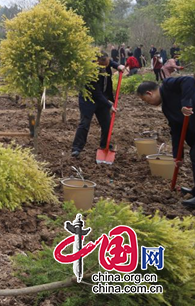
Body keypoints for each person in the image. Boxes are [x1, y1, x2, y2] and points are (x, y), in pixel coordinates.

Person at [137, 78, 195, 207]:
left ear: (149, 93)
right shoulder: (166, 109)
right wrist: (178, 155)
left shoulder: (168, 85)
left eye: (145, 100)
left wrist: (186, 104)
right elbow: (175, 130)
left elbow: (189, 80)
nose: (148, 103)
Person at [71, 53, 126, 158]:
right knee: (84, 123)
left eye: (107, 64)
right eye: (104, 65)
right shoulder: (90, 72)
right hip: (88, 100)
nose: (107, 66)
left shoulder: (106, 62)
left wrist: (118, 65)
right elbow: (96, 94)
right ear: (97, 62)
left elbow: (110, 62)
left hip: (103, 99)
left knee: (107, 124)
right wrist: (109, 105)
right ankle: (76, 148)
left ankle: (105, 146)